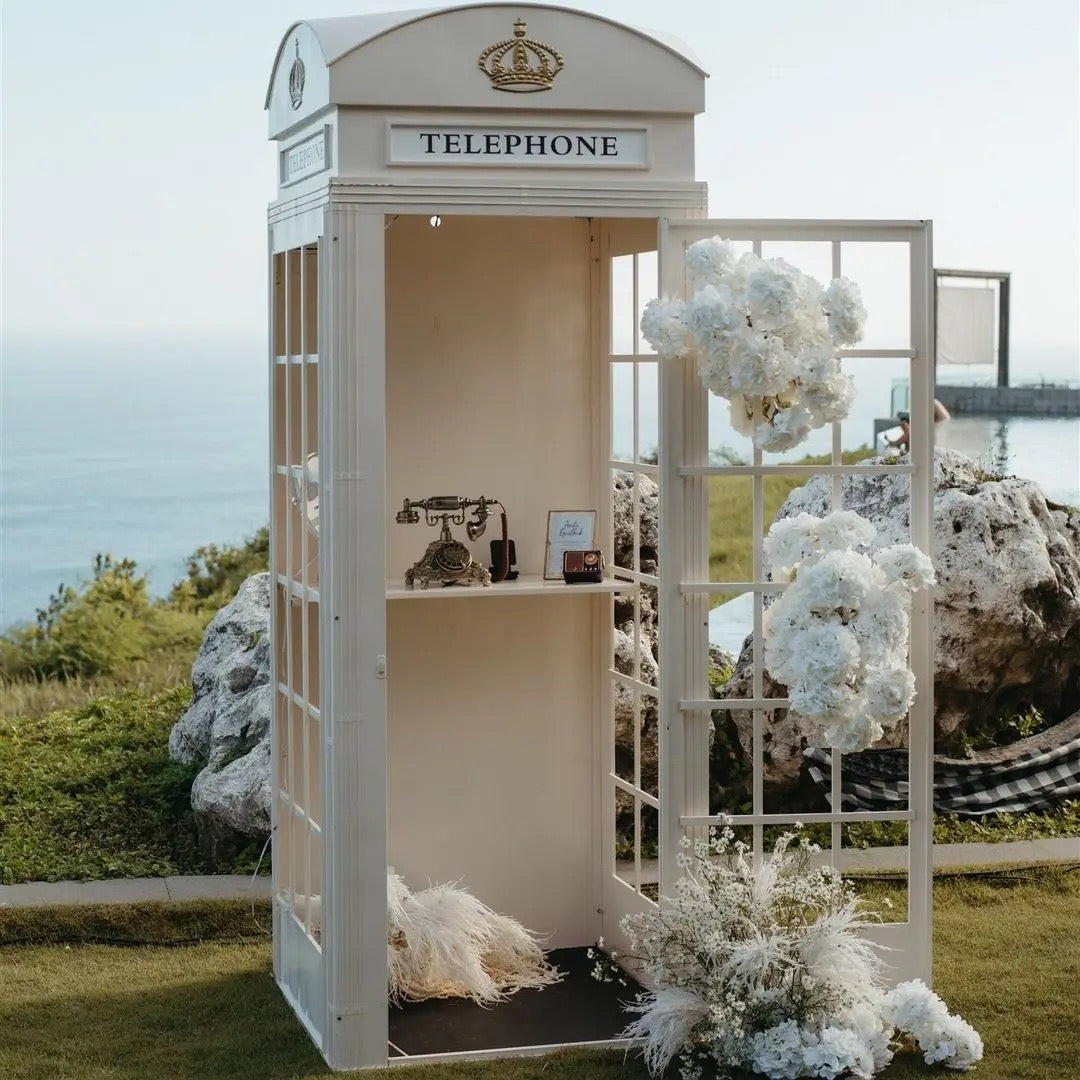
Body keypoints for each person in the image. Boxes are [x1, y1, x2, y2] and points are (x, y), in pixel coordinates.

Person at [886, 399, 951, 453]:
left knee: (911, 432)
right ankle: (897, 443)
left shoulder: (931, 403)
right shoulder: (932, 402)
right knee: (911, 432)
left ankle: (897, 443)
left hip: (940, 425)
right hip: (942, 425)